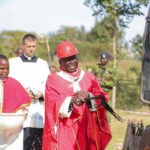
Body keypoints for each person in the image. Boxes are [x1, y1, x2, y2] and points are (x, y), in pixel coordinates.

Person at [42, 41, 111, 150]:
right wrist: (71, 100)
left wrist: (89, 96)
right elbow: (51, 102)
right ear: (60, 61)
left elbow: (103, 98)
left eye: (74, 58)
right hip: (66, 130)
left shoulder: (89, 77)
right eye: (67, 60)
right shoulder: (53, 79)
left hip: (88, 128)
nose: (72, 62)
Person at [9, 34, 50, 150]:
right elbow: (10, 85)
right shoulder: (13, 63)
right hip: (21, 111)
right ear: (23, 46)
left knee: (37, 144)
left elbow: (48, 87)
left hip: (38, 109)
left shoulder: (43, 64)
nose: (32, 49)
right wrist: (22, 92)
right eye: (29, 46)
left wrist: (41, 94)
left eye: (34, 46)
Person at [0, 54, 31, 150]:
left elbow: (23, 102)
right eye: (2, 68)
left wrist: (23, 109)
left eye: (7, 68)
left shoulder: (15, 83)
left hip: (13, 129)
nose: (5, 71)